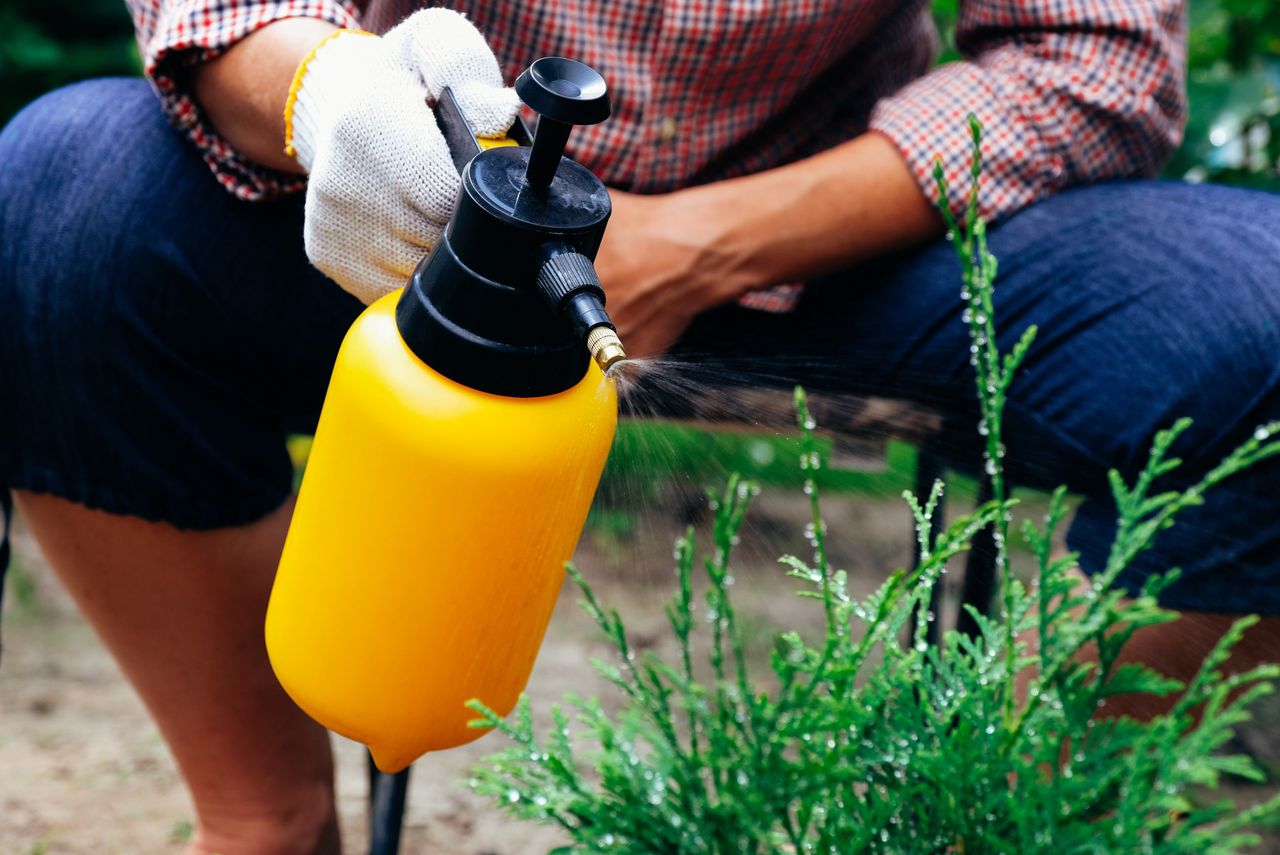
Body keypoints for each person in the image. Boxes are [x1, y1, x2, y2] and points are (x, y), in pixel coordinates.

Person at [1, 0, 1277, 852]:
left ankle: (1026, 825)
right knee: (62, 202)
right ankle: (265, 826)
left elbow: (1090, 58)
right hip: (415, 221)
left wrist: (695, 245)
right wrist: (328, 93)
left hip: (834, 234)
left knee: (1256, 322)